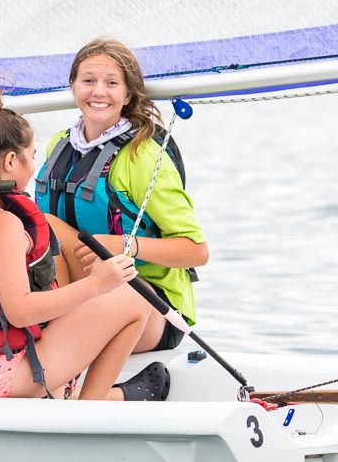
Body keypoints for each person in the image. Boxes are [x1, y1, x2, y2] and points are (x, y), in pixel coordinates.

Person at [0, 78, 170, 401]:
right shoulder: (3, 225)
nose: (34, 165)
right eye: (32, 156)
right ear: (11, 162)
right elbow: (20, 312)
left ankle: (64, 392)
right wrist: (96, 284)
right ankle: (88, 409)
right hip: (2, 378)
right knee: (135, 298)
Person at [34, 38, 208, 353]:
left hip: (152, 306)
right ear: (73, 87)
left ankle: (102, 380)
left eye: (111, 83)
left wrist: (125, 245)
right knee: (33, 226)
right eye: (88, 81)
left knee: (47, 228)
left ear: (127, 95)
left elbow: (197, 250)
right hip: (88, 289)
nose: (98, 91)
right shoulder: (58, 144)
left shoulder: (143, 157)